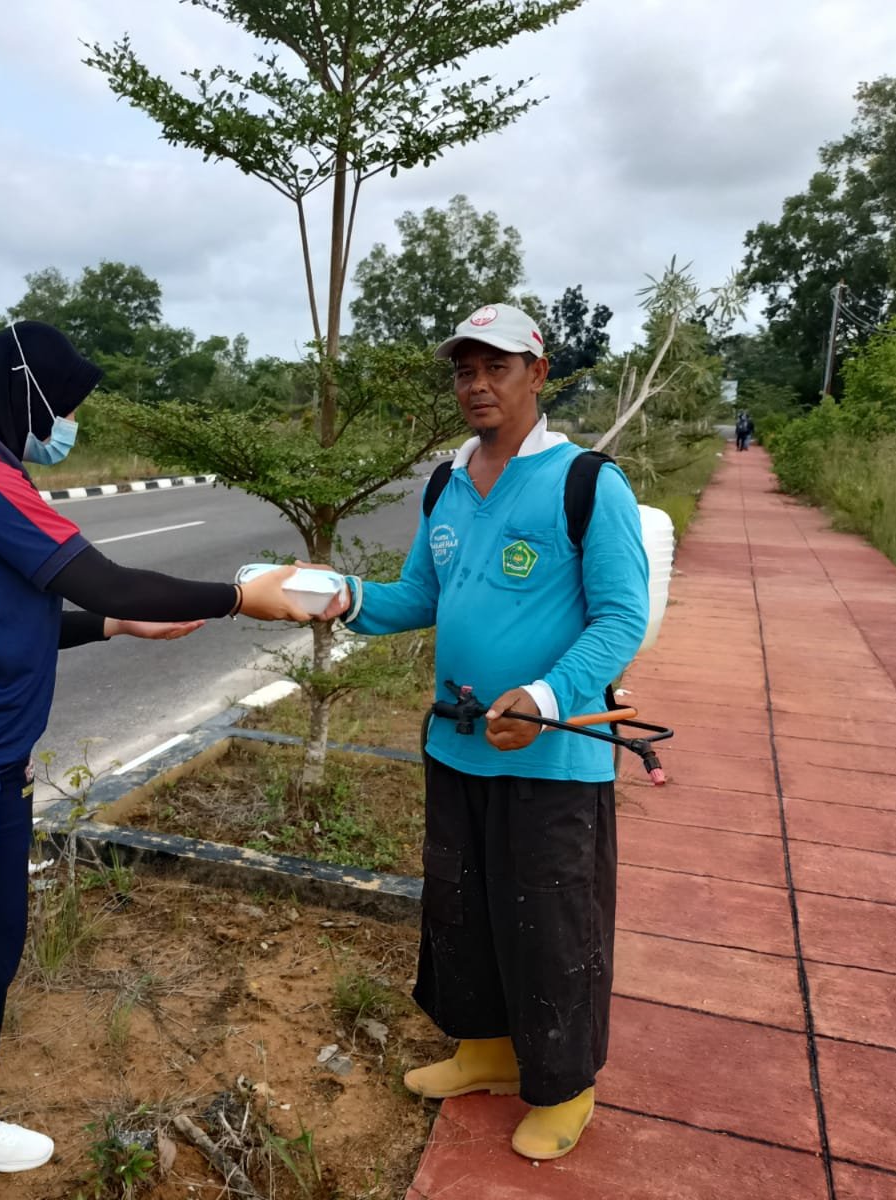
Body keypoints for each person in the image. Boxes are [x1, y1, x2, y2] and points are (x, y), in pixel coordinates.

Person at [0, 321, 334, 1200]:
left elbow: (21, 615)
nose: (71, 423)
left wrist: (115, 625)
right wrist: (242, 596)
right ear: (26, 394)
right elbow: (108, 577)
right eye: (67, 406)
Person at [335, 303, 648, 1162]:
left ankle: (564, 1087)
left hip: (553, 754)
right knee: (464, 911)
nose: (476, 385)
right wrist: (341, 598)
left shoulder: (586, 481)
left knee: (552, 922)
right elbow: (418, 598)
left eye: (496, 367)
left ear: (537, 375)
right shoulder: (446, 483)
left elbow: (624, 618)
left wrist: (545, 698)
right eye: (464, 370)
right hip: (456, 743)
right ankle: (484, 1052)